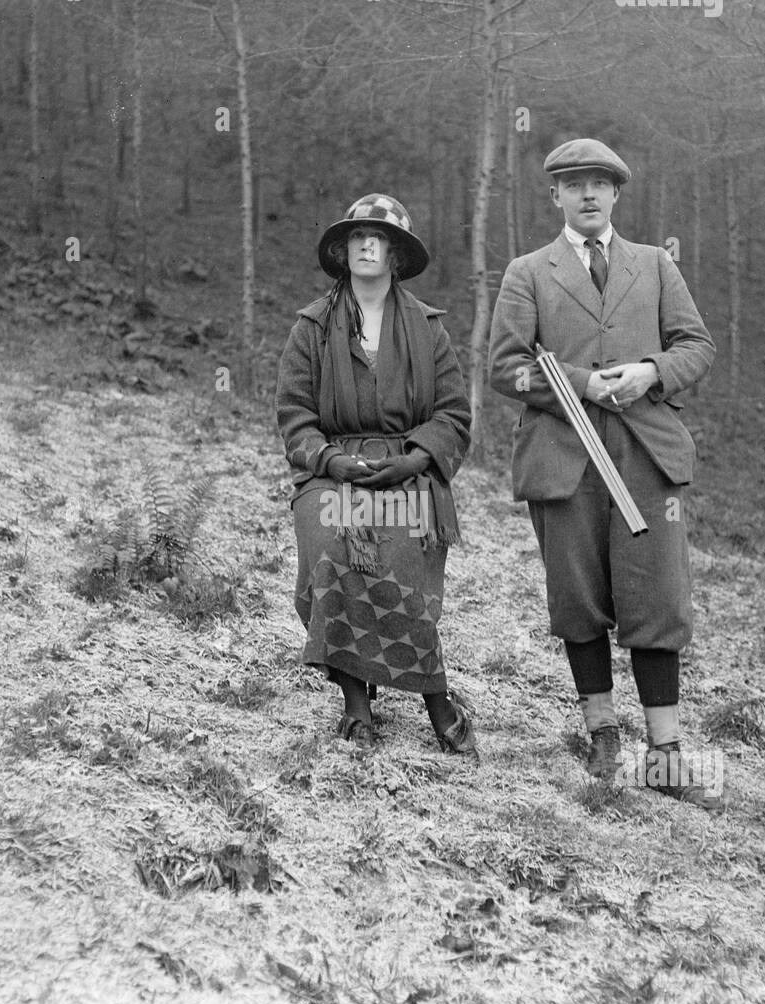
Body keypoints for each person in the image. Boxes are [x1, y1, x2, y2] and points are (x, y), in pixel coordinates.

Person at [488, 139, 725, 810]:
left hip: (645, 455)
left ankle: (665, 751)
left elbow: (698, 346)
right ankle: (601, 732)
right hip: (564, 458)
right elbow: (506, 368)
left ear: (616, 194)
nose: (588, 194)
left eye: (599, 183)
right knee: (578, 595)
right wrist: (582, 384)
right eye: (574, 184)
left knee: (658, 597)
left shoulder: (655, 264)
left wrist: (651, 371)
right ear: (556, 196)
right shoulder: (527, 273)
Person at [277, 194, 475, 755]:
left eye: (380, 238)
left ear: (396, 255)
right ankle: (355, 703)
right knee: (330, 546)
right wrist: (328, 460)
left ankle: (435, 695)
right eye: (358, 237)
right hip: (333, 473)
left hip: (406, 472)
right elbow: (295, 416)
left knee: (400, 562)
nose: (367, 245)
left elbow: (454, 415)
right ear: (343, 252)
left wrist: (416, 458)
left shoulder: (428, 329)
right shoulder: (312, 327)